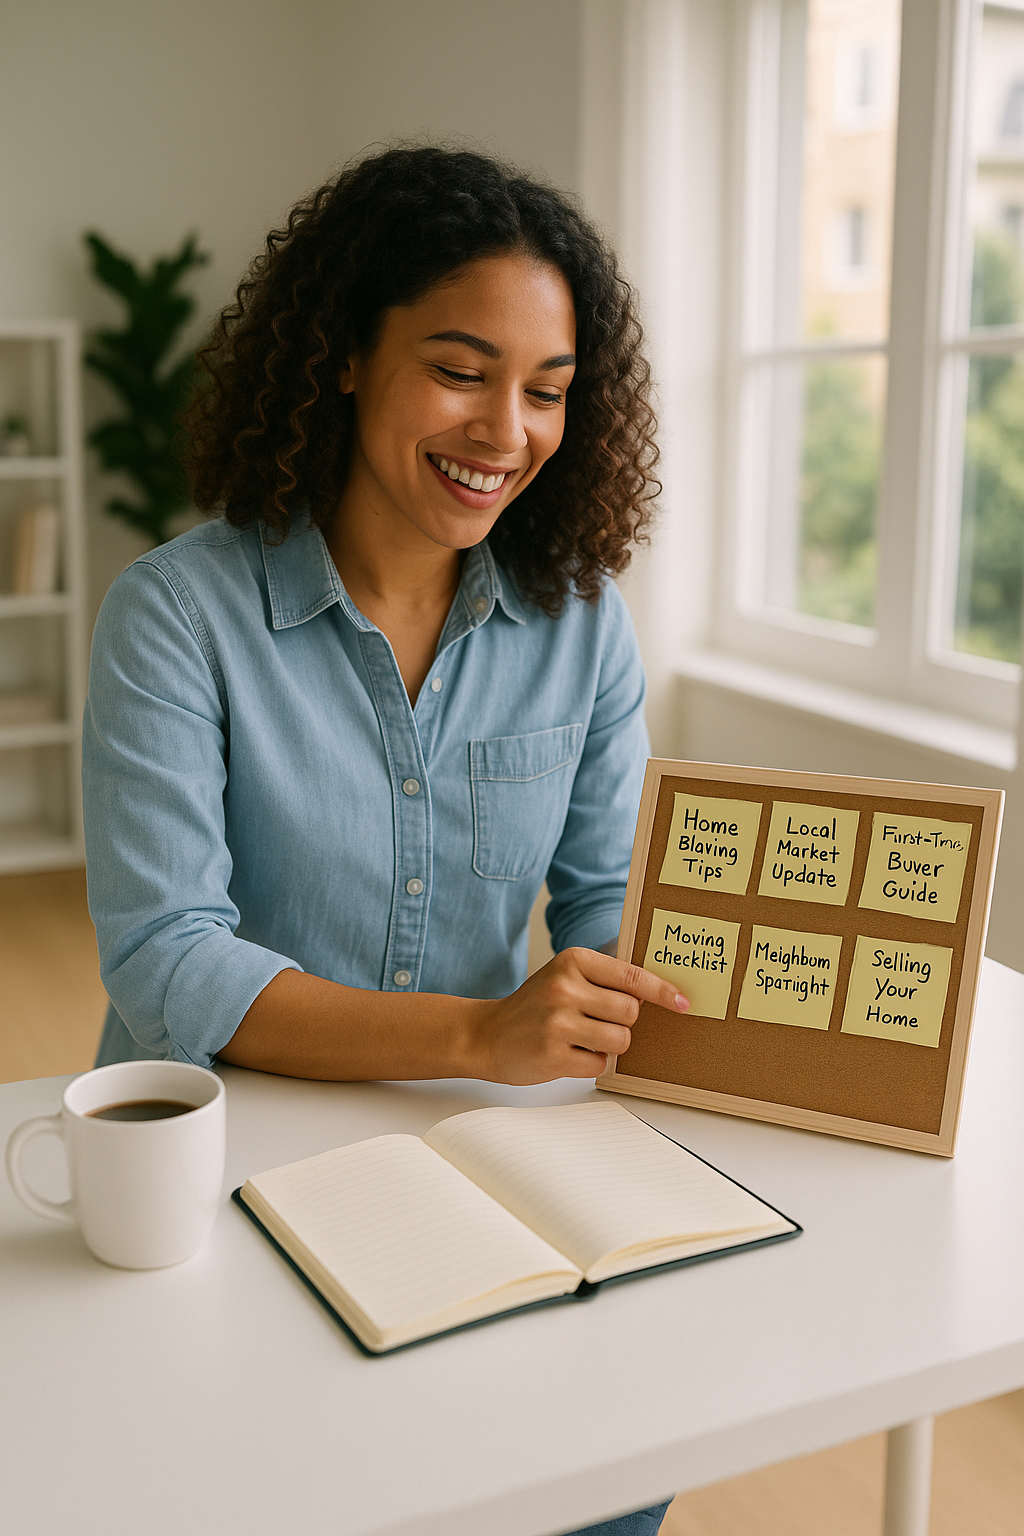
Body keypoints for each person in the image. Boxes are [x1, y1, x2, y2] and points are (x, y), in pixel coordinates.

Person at [83, 145, 684, 1535]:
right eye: (461, 370)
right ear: (349, 352)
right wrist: (478, 1035)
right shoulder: (175, 615)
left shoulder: (583, 621)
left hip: (487, 1160)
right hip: (221, 1164)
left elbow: (611, 903)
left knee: (614, 1480)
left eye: (548, 391)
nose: (506, 431)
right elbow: (171, 966)